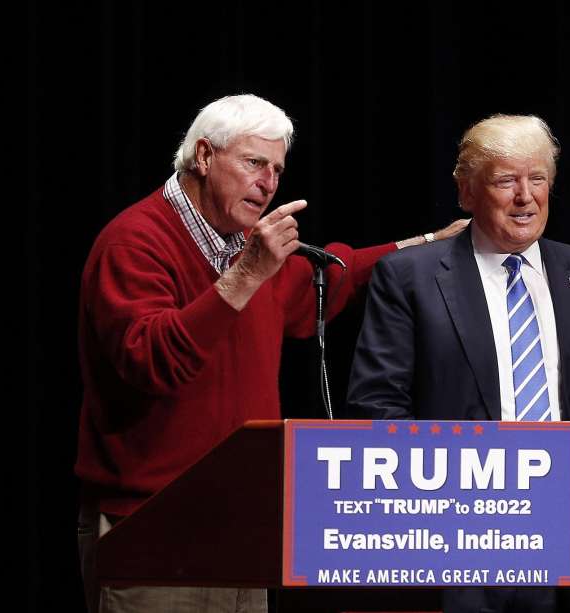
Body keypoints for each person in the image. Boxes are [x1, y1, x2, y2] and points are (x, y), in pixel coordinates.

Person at [75, 93, 467, 613]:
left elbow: (329, 277)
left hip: (244, 529)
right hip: (155, 530)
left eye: (277, 169)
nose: (268, 182)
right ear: (204, 156)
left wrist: (427, 243)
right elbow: (154, 360)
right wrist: (247, 276)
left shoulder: (246, 248)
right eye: (254, 162)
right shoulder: (135, 242)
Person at [346, 114, 570, 613]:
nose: (525, 196)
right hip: (454, 549)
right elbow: (376, 406)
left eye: (537, 179)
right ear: (466, 192)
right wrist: (438, 508)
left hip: (567, 546)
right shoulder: (409, 278)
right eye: (505, 181)